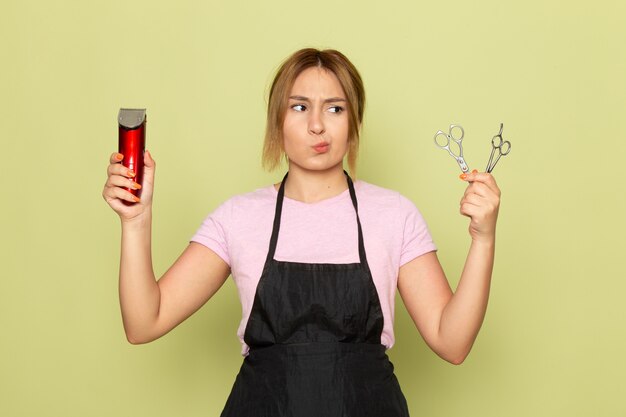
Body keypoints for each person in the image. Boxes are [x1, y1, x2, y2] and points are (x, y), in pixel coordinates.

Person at [102, 48, 501, 417]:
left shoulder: (393, 215)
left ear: (354, 121)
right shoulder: (238, 218)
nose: (316, 125)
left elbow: (453, 343)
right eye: (299, 107)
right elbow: (144, 323)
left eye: (334, 108)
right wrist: (136, 221)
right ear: (278, 121)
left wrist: (483, 239)